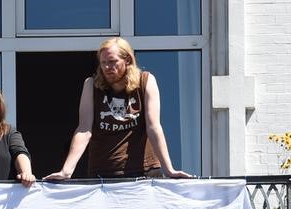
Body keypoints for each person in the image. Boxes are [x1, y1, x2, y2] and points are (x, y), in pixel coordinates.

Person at [45, 37, 192, 180]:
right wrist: (66, 171)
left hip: (144, 171)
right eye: (103, 63)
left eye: (112, 62)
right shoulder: (91, 85)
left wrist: (169, 170)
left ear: (127, 60)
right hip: (102, 172)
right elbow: (84, 130)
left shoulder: (145, 81)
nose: (107, 67)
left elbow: (153, 127)